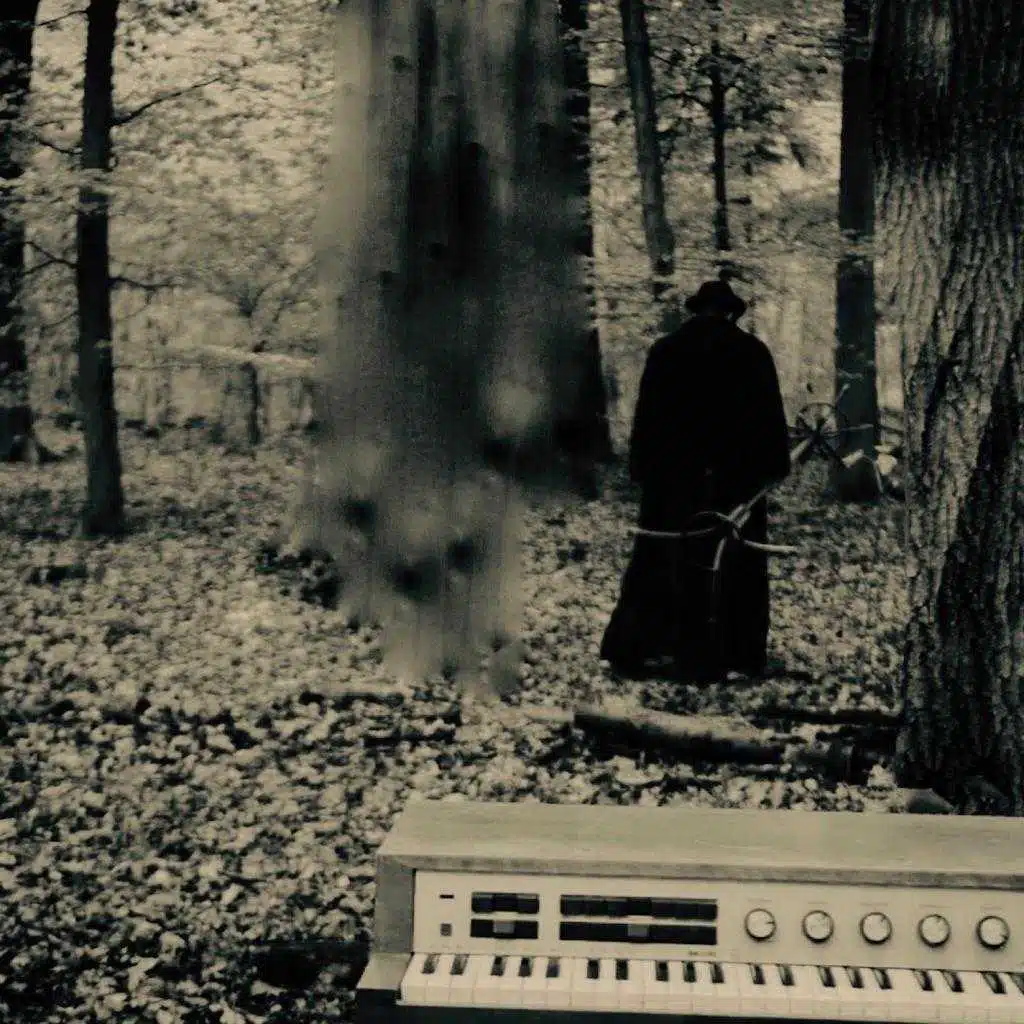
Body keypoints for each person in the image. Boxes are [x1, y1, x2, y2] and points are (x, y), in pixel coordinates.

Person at [600, 279, 791, 681]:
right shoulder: (752, 353)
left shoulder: (666, 351)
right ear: (730, 312)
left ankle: (647, 649)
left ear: (696, 309)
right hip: (736, 480)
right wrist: (772, 469)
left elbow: (646, 419)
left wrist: (643, 470)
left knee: (664, 557)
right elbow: (770, 422)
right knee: (733, 560)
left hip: (672, 480)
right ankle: (734, 654)